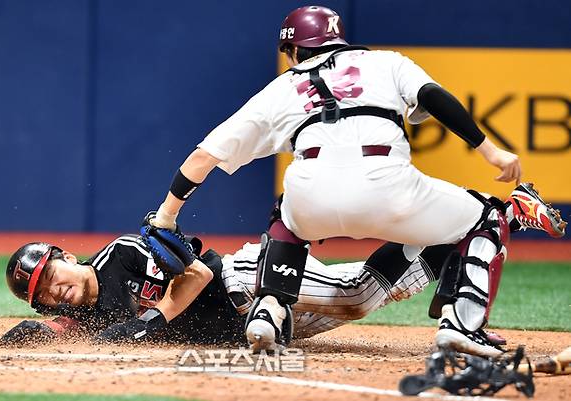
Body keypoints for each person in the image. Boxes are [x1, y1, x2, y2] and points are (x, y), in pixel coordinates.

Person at [142, 4, 563, 357]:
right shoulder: (386, 62)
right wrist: (489, 150)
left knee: (286, 218)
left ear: (293, 49)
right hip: (391, 188)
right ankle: (462, 321)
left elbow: (202, 158)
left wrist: (166, 216)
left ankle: (271, 305)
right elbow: (435, 98)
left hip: (311, 194)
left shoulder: (281, 88)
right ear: (338, 40)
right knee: (485, 217)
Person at [0, 184, 565, 350]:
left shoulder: (122, 255)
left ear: (65, 257)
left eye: (51, 274)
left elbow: (194, 274)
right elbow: (77, 327)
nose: (56, 289)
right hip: (252, 328)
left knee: (350, 292)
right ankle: (454, 239)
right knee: (364, 297)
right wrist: (37, 331)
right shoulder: (85, 310)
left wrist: (155, 321)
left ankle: (489, 210)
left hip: (246, 284)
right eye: (44, 294)